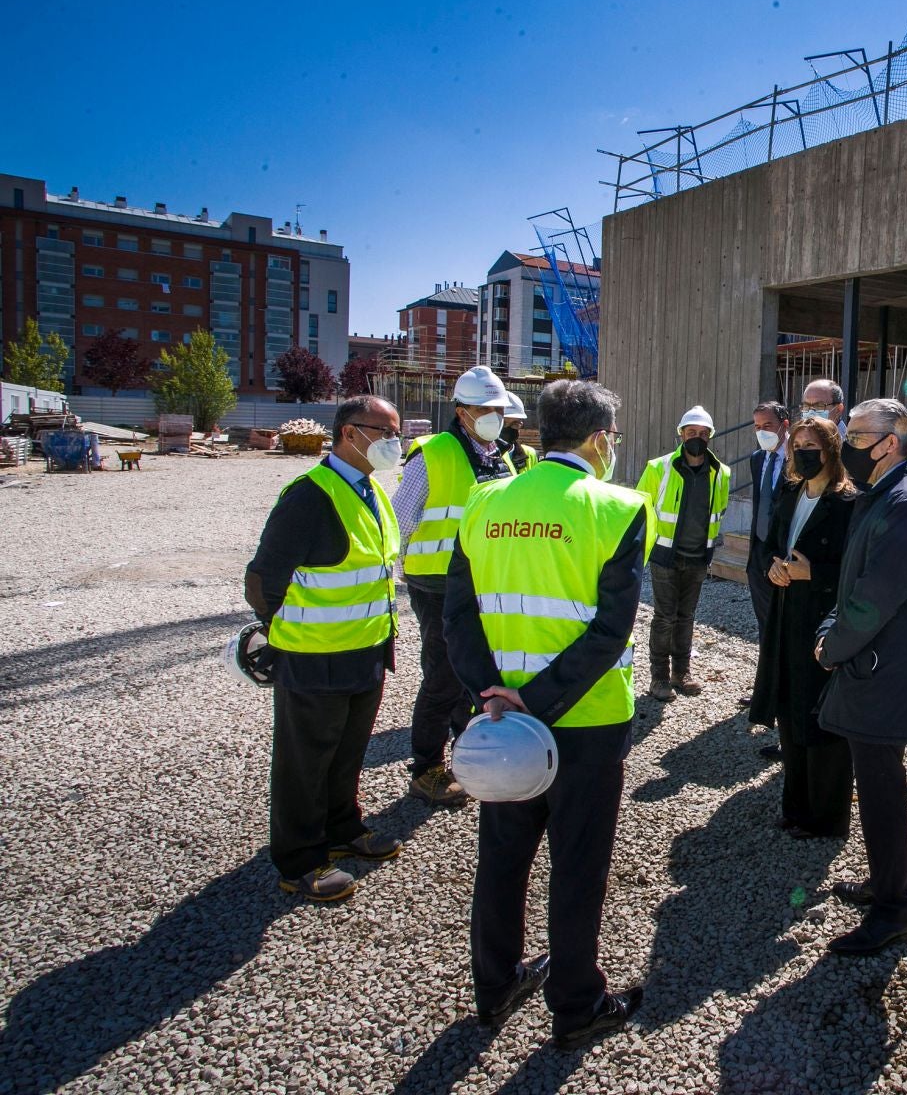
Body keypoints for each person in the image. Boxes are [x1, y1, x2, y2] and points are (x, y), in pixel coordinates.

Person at [443, 378, 648, 1045]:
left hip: (502, 721)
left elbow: (458, 620)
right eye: (610, 438)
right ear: (597, 439)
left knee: (502, 857)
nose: (611, 448)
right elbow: (609, 632)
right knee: (578, 865)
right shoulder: (617, 507)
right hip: (586, 722)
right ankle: (575, 1005)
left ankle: (495, 985)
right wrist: (541, 700)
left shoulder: (484, 499)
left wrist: (493, 695)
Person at [245, 395, 405, 902]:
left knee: (346, 754)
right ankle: (299, 860)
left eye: (395, 431)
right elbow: (262, 580)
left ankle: (342, 830)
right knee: (304, 763)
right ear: (348, 433)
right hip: (315, 658)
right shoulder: (310, 495)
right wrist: (282, 630)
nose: (393, 442)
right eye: (384, 431)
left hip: (365, 651)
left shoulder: (372, 492)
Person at [814, 397, 907, 955]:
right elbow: (853, 584)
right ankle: (885, 883)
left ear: (889, 443)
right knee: (876, 786)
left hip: (885, 671)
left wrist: (830, 648)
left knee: (882, 790)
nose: (847, 445)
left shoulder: (905, 505)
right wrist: (830, 627)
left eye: (857, 436)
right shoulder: (885, 495)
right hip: (871, 665)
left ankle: (896, 908)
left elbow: (874, 601)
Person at [394, 364, 516, 805]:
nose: (492, 416)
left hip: (483, 585)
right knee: (443, 676)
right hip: (436, 583)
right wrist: (388, 581)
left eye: (497, 409)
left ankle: (469, 753)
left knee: (478, 676)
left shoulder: (500, 459)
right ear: (461, 412)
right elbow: (399, 522)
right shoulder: (434, 453)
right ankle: (425, 766)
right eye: (483, 409)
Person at [748, 418, 858, 837]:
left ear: (831, 449)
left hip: (821, 620)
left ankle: (826, 818)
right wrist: (774, 567)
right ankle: (794, 806)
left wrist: (815, 575)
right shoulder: (791, 492)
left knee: (821, 716)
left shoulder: (848, 502)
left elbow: (853, 568)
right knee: (789, 709)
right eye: (797, 445)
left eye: (812, 445)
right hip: (785, 616)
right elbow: (771, 545)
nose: (803, 452)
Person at [635, 405, 731, 702]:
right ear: (681, 434)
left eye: (703, 434)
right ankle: (659, 677)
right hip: (665, 557)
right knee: (664, 617)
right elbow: (641, 507)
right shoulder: (658, 467)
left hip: (698, 557)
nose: (697, 438)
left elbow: (720, 511)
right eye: (692, 432)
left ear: (710, 437)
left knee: (687, 616)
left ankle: (682, 671)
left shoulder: (721, 473)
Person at [744, 399, 790, 634]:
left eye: (768, 425)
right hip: (759, 552)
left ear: (784, 425)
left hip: (784, 553)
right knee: (765, 623)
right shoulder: (758, 458)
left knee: (785, 623)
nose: (762, 432)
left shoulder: (798, 458)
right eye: (757, 427)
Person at [500, 390, 536, 472]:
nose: (508, 428)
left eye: (515, 423)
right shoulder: (483, 456)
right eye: (503, 423)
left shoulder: (530, 454)